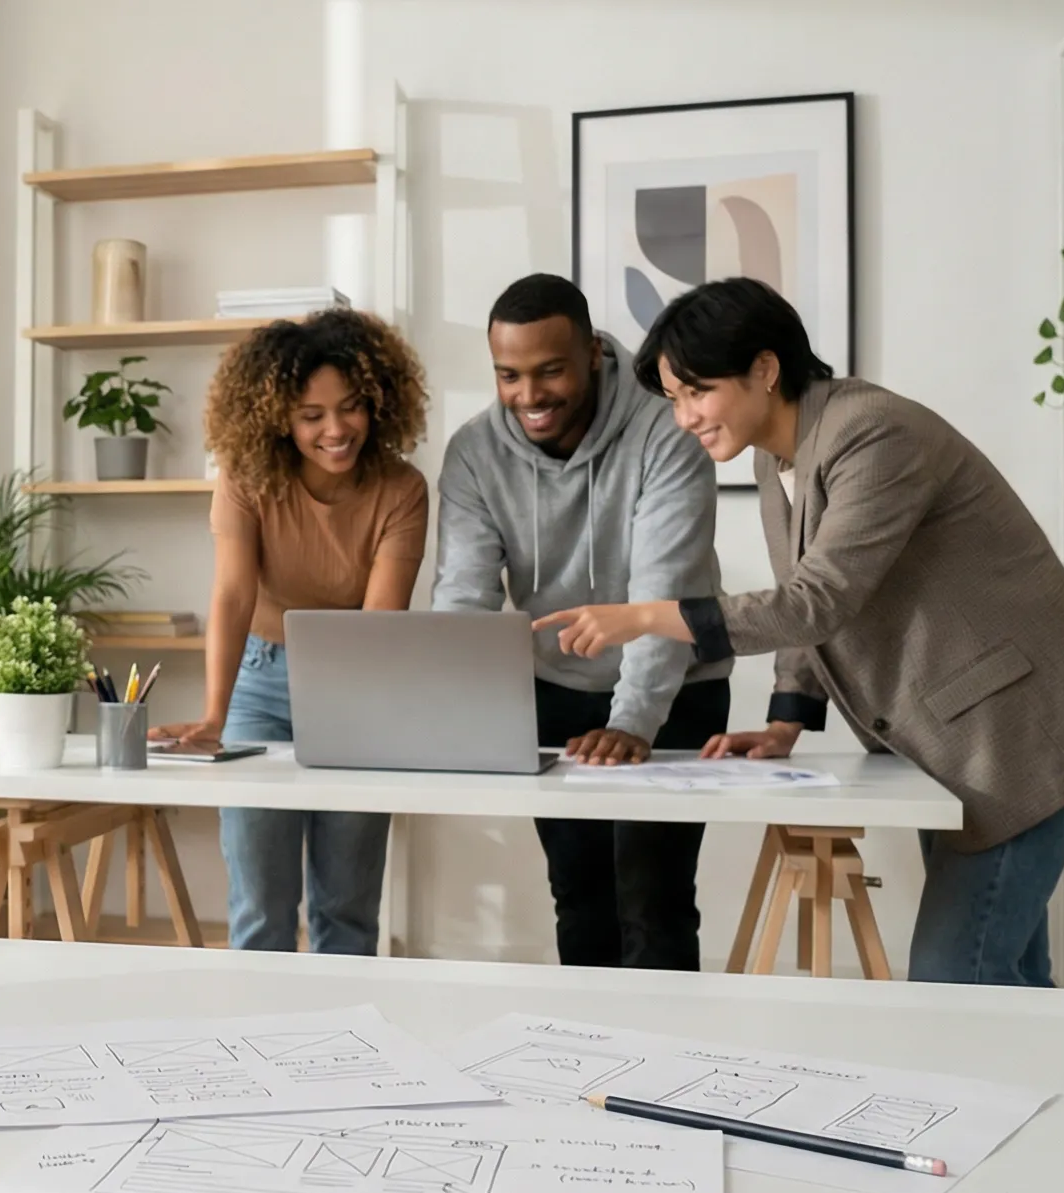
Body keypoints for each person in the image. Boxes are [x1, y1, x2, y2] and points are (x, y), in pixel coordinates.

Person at [533, 278, 1064, 986]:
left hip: (1021, 729)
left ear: (764, 368)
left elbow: (816, 601)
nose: (684, 417)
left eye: (698, 391)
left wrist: (642, 616)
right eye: (674, 399)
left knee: (955, 974)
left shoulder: (873, 433)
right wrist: (787, 718)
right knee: (1008, 980)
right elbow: (811, 594)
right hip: (959, 735)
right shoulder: (775, 452)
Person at [432, 274, 730, 971]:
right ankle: (591, 1069)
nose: (529, 396)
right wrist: (449, 720)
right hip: (556, 686)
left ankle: (665, 1074)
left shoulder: (667, 429)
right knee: (580, 895)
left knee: (653, 900)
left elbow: (665, 593)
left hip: (677, 685)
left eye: (549, 371)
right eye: (508, 375)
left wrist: (630, 723)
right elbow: (464, 599)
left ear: (593, 352)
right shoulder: (475, 453)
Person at [152, 308, 430, 955]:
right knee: (262, 906)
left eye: (353, 407)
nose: (337, 430)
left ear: (379, 402)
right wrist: (214, 715)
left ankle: (348, 1046)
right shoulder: (247, 479)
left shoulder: (402, 489)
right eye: (312, 416)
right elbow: (232, 594)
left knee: (348, 908)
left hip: (359, 687)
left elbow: (378, 625)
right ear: (280, 416)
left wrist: (359, 717)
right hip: (260, 679)